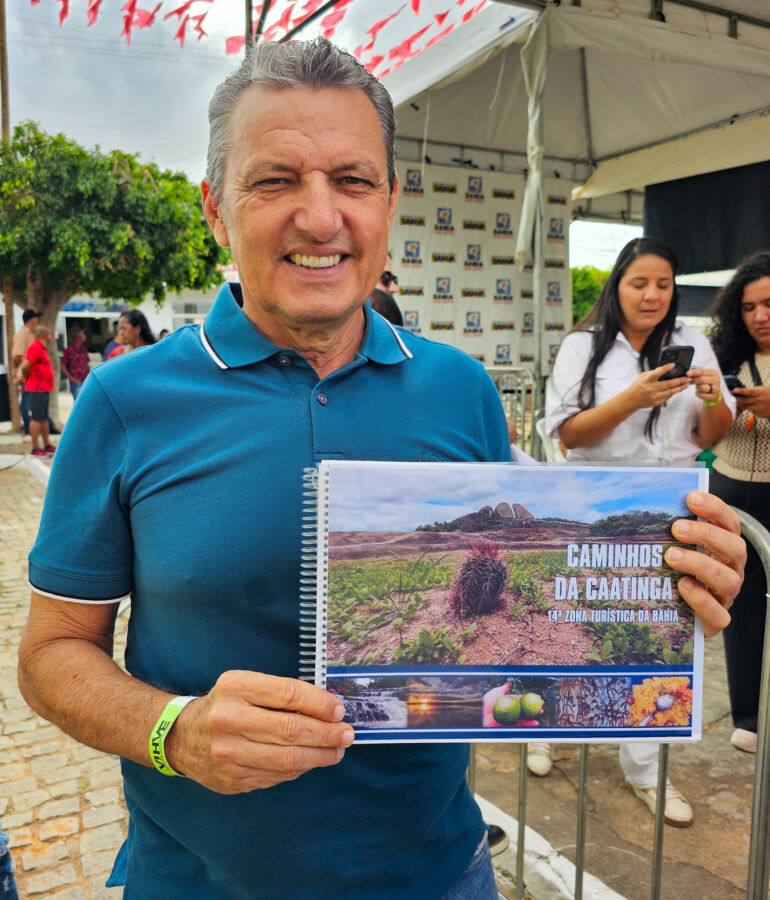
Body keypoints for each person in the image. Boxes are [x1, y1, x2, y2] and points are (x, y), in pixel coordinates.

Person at [18, 42, 744, 899]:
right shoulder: (126, 401)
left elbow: (531, 583)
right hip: (201, 880)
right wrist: (173, 729)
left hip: (439, 873)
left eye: (354, 181)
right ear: (216, 208)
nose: (321, 218)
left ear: (391, 202)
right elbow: (52, 652)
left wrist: (665, 593)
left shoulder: (461, 390)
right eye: (275, 180)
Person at [542, 236, 736, 827]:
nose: (652, 295)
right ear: (616, 287)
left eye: (663, 284)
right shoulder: (583, 347)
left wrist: (709, 397)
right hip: (594, 509)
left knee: (656, 637)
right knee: (573, 621)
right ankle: (543, 732)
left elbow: (713, 433)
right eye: (639, 283)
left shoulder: (693, 344)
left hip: (669, 510)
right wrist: (632, 398)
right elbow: (569, 434)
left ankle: (649, 771)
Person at [708, 251, 770, 755]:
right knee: (740, 606)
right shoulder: (724, 359)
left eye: (769, 304)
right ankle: (748, 715)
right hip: (729, 488)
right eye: (748, 307)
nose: (760, 316)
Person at [15, 325, 57, 459]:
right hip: (37, 387)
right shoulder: (35, 347)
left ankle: (46, 444)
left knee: (44, 418)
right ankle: (35, 448)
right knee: (37, 419)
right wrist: (26, 378)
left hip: (43, 387)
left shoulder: (41, 348)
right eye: (49, 334)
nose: (51, 336)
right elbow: (25, 365)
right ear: (45, 335)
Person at [12, 309, 41, 434]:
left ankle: (31, 426)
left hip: (33, 374)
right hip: (26, 374)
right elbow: (16, 356)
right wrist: (22, 370)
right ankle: (28, 426)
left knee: (31, 400)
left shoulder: (31, 333)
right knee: (26, 401)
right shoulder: (22, 334)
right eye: (36, 318)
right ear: (32, 320)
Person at [61, 327, 91, 401]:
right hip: (76, 382)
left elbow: (87, 364)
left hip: (86, 380)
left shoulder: (84, 349)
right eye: (83, 333)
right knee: (79, 403)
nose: (85, 336)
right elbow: (62, 366)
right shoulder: (68, 351)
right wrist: (71, 378)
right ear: (77, 335)